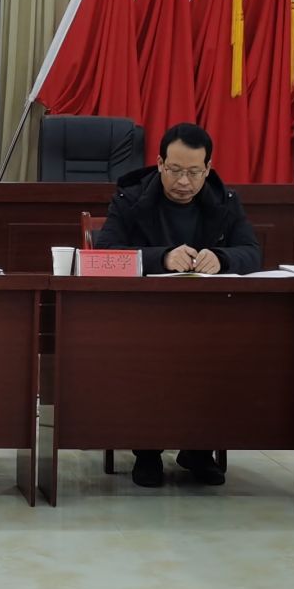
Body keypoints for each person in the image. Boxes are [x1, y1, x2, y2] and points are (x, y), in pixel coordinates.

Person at [97, 121, 262, 487]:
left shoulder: (225, 201)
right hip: (144, 318)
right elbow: (106, 252)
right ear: (159, 163)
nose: (183, 181)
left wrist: (223, 258)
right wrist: (162, 258)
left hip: (208, 319)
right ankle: (147, 450)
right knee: (149, 354)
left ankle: (198, 449)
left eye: (194, 172)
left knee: (224, 352)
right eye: (174, 170)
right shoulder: (130, 198)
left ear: (208, 169)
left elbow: (252, 252)